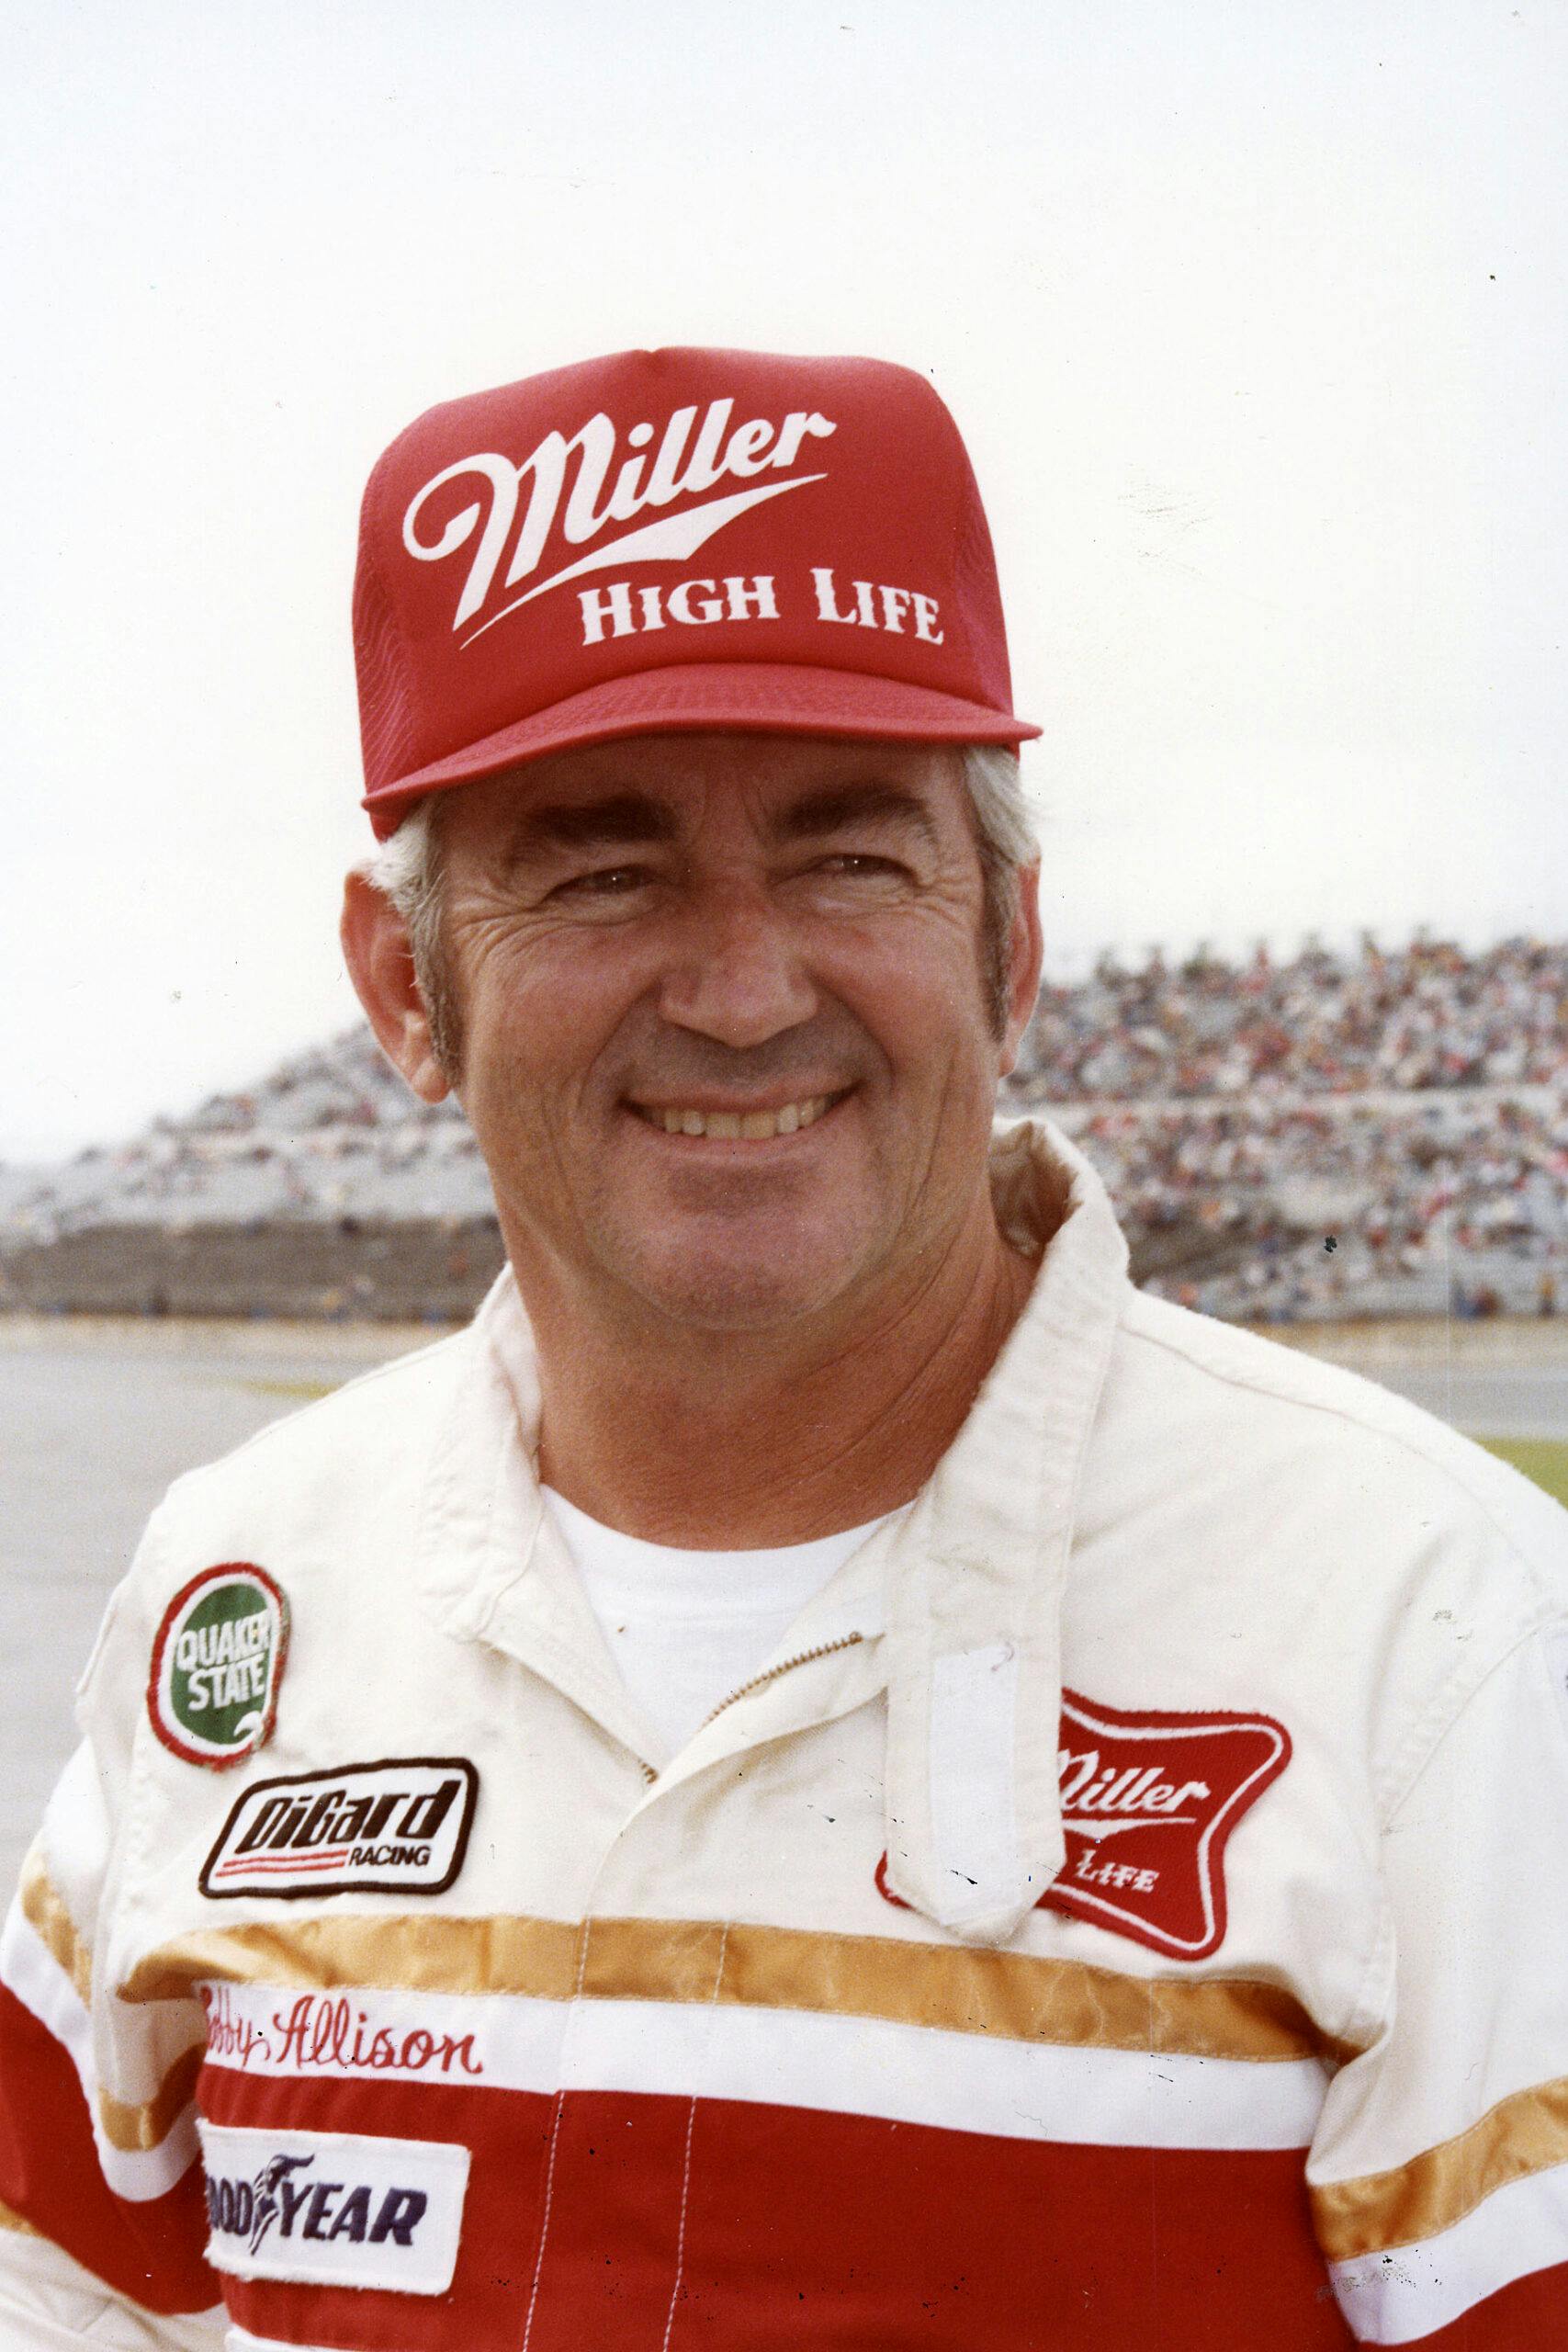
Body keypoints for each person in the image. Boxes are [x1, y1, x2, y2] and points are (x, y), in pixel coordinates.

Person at [1, 345, 1564, 2350]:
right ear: (407, 984)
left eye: (845, 852)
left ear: (1005, 945)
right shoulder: (239, 1586)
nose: (742, 989)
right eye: (600, 864)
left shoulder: (1426, 1631)